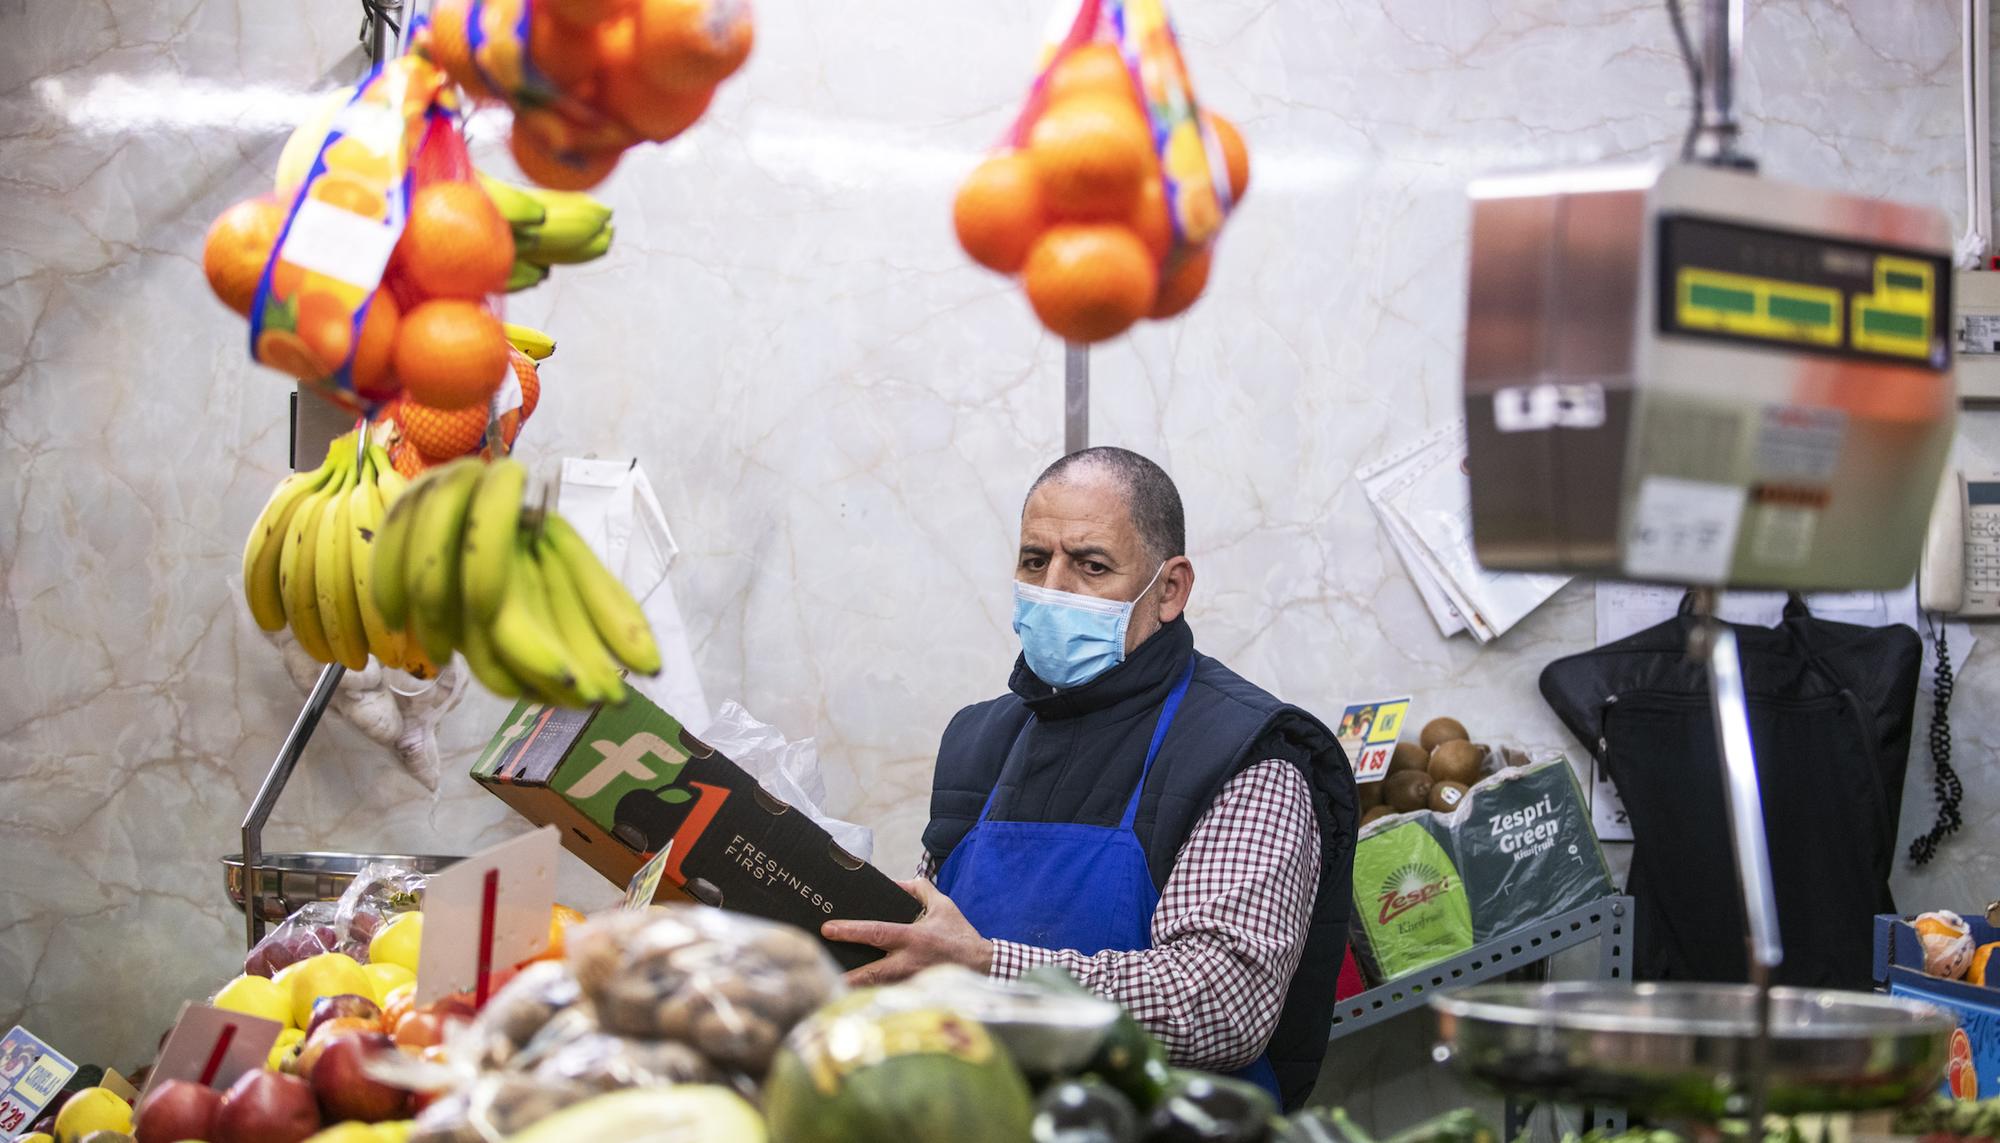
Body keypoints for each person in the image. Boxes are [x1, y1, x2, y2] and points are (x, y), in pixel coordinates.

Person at [824, 447, 1356, 1109]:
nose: (1054, 587)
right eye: (1034, 560)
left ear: (1169, 589)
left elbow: (1223, 1001)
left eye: (1091, 564)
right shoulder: (977, 740)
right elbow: (934, 938)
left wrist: (994, 971)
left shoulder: (1244, 750)